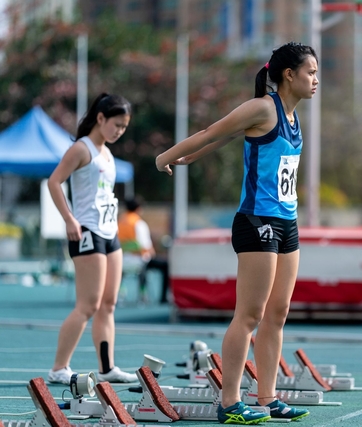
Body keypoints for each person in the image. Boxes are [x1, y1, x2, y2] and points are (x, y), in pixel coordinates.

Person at [155, 42, 316, 424]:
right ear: (289, 74)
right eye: (310, 72)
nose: (316, 80)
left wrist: (193, 158)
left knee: (278, 313)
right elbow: (215, 130)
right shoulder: (263, 106)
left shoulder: (292, 117)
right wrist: (166, 156)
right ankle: (229, 402)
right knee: (250, 314)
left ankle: (268, 397)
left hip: (287, 223)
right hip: (256, 222)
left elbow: (234, 137)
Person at [47, 93, 137, 384]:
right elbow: (54, 181)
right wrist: (69, 219)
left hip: (109, 233)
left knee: (109, 303)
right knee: (87, 304)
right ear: (100, 118)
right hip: (87, 231)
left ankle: (107, 368)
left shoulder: (107, 153)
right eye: (116, 125)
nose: (119, 131)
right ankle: (59, 367)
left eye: (124, 127)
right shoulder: (81, 149)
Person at [118, 197, 170, 304]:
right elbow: (145, 247)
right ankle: (163, 298)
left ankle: (122, 294)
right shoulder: (139, 224)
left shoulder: (119, 222)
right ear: (138, 208)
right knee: (166, 265)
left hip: (121, 260)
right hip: (139, 261)